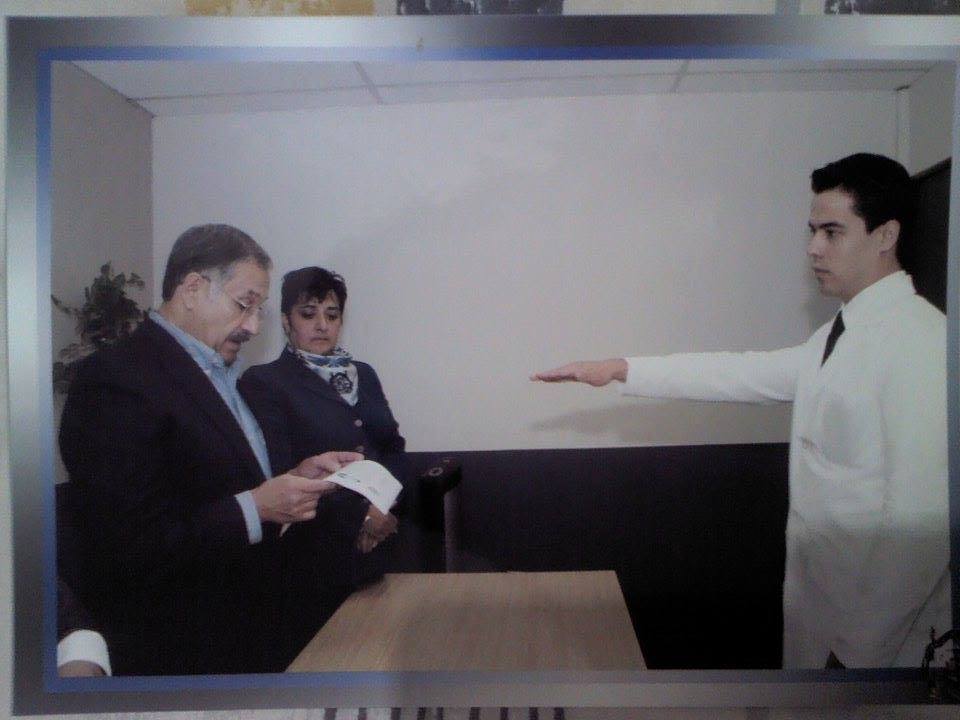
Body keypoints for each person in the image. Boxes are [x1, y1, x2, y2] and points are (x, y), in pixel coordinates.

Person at [531, 153, 949, 669]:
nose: (814, 248)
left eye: (832, 232)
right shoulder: (843, 333)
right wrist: (620, 368)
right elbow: (743, 373)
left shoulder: (921, 342)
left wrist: (857, 651)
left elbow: (923, 526)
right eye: (813, 231)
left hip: (876, 647)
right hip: (826, 622)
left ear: (886, 235)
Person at [58, 224, 361, 675]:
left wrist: (294, 477)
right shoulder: (115, 380)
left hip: (252, 630)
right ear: (193, 288)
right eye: (244, 304)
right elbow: (134, 547)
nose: (253, 326)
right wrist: (257, 507)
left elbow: (221, 482)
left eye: (258, 310)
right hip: (184, 651)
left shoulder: (219, 371)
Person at [239, 266, 405, 659]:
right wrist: (360, 516)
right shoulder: (264, 381)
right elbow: (280, 469)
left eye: (332, 315)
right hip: (310, 556)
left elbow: (391, 447)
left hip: (377, 548)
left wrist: (382, 505)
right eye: (308, 313)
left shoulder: (364, 375)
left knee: (377, 663)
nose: (321, 325)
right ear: (286, 321)